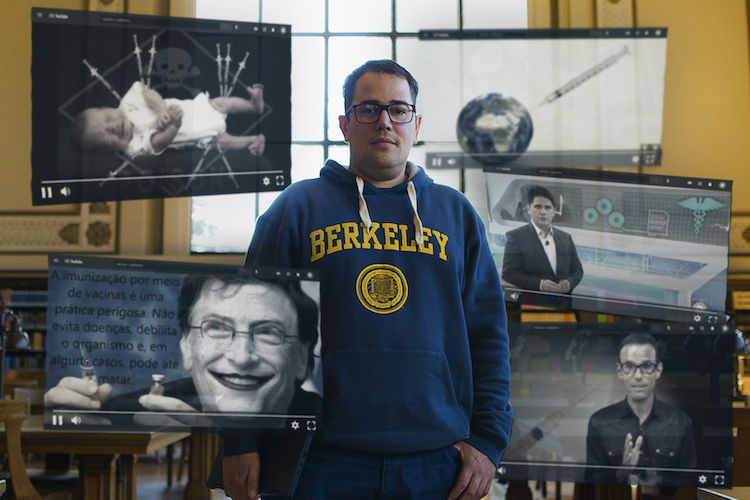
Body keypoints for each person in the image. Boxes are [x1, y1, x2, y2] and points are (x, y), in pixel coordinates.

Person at [220, 60, 513, 500]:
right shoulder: (297, 208)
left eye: (398, 109)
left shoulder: (456, 215)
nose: (384, 122)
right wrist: (240, 440)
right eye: (368, 109)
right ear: (344, 123)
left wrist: (488, 442)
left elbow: (488, 336)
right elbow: (249, 328)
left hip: (436, 462)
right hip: (318, 460)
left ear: (416, 124)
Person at [44, 276, 320, 422]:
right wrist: (76, 419)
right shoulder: (151, 397)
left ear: (302, 356)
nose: (242, 357)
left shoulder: (330, 424)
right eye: (217, 328)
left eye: (268, 332)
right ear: (186, 346)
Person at [585, 333, 696, 486]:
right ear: (620, 372)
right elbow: (590, 481)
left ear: (658, 371)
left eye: (646, 366)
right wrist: (623, 471)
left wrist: (660, 482)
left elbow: (690, 482)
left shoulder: (681, 423)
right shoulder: (599, 422)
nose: (638, 376)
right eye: (629, 367)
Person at [70, 81, 266, 157]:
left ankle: (253, 106)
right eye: (107, 136)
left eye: (107, 117)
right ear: (110, 150)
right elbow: (158, 143)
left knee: (219, 103)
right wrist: (173, 126)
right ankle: (253, 140)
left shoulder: (127, 104)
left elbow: (149, 94)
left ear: (107, 107)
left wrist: (161, 108)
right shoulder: (132, 147)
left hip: (194, 108)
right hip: (194, 132)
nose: (113, 126)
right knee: (222, 141)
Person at [501, 185, 584, 293]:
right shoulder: (516, 237)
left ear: (554, 211)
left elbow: (577, 270)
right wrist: (540, 284)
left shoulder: (566, 238)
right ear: (529, 209)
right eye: (538, 207)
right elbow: (508, 274)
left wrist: (570, 282)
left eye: (547, 207)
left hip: (564, 303)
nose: (543, 212)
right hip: (534, 304)